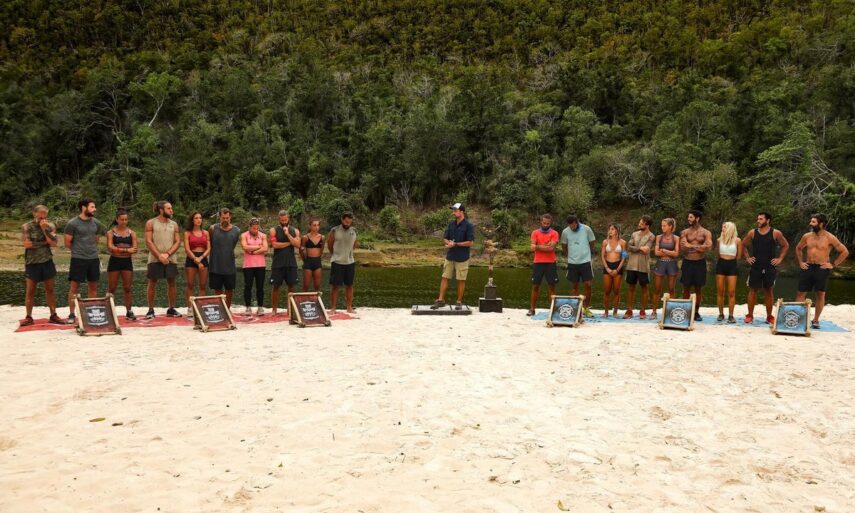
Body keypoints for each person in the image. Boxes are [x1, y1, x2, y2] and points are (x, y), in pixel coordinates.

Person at [794, 213, 849, 329]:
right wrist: (800, 262)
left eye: (813, 222)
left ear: (821, 224)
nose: (810, 223)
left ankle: (815, 320)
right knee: (800, 292)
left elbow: (844, 252)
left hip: (821, 268)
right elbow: (798, 248)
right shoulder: (807, 236)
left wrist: (833, 264)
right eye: (811, 221)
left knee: (820, 293)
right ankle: (797, 317)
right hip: (808, 266)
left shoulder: (830, 237)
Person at [64, 198, 107, 324]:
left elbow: (96, 239)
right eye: (92, 207)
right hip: (78, 259)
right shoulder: (72, 223)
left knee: (93, 286)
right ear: (83, 208)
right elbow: (67, 243)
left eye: (94, 207)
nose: (95, 209)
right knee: (74, 287)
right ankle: (72, 314)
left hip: (93, 258)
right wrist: (79, 251)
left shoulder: (96, 223)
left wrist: (89, 250)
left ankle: (91, 312)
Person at [741, 211, 789, 324]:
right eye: (758, 219)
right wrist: (747, 257)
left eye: (761, 219)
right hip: (756, 266)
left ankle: (769, 316)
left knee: (769, 290)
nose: (758, 221)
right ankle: (750, 315)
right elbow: (743, 244)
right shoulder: (752, 232)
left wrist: (780, 258)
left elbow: (785, 245)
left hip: (769, 266)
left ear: (768, 220)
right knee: (753, 290)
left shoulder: (775, 233)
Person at [20, 205, 63, 326]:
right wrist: (45, 243)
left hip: (47, 261)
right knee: (30, 291)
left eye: (45, 214)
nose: (43, 216)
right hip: (32, 262)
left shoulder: (50, 226)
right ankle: (29, 317)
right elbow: (27, 244)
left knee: (50, 289)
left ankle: (53, 315)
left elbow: (53, 243)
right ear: (34, 214)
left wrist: (45, 230)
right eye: (41, 213)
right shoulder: (26, 226)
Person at [430, 203, 474, 311]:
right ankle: (441, 300)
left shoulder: (469, 225)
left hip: (462, 258)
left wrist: (456, 244)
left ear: (462, 212)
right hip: (450, 256)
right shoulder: (451, 224)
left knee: (461, 280)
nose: (453, 212)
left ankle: (458, 302)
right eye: (453, 210)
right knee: (444, 277)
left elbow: (470, 242)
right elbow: (445, 238)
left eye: (455, 210)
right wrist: (448, 243)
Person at [144, 201, 181, 319]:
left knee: (172, 283)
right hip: (154, 258)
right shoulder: (151, 223)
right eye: (168, 208)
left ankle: (171, 309)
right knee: (152, 283)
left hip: (171, 258)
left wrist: (167, 254)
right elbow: (148, 241)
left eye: (171, 208)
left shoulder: (174, 224)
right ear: (161, 210)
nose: (171, 210)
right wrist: (159, 256)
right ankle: (150, 310)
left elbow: (177, 241)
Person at [679, 210, 713, 321]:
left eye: (691, 217)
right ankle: (686, 311)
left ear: (697, 218)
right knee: (686, 288)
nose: (688, 219)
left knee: (698, 288)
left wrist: (691, 246)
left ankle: (696, 312)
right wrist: (698, 247)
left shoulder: (706, 232)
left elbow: (708, 247)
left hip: (700, 262)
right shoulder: (685, 232)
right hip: (687, 262)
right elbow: (683, 247)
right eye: (688, 217)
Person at [560, 214, 596, 316]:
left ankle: (586, 308)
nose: (572, 227)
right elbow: (564, 245)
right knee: (574, 286)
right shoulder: (565, 232)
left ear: (577, 222)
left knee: (588, 285)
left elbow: (592, 242)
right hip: (572, 262)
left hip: (585, 261)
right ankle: (575, 309)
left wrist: (587, 252)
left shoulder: (586, 229)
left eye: (573, 224)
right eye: (570, 225)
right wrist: (569, 255)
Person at [106, 208, 139, 320]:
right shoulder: (111, 233)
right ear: (117, 219)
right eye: (122, 219)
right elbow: (110, 247)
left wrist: (121, 250)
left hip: (126, 262)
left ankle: (129, 311)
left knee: (127, 287)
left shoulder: (132, 233)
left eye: (126, 219)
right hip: (114, 261)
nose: (124, 222)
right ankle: (109, 310)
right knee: (112, 288)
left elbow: (134, 249)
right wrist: (126, 250)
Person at [623, 215, 656, 319]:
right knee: (631, 287)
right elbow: (629, 247)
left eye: (641, 223)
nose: (639, 224)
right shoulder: (634, 234)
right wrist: (640, 248)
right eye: (640, 222)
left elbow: (647, 249)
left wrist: (636, 248)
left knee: (644, 287)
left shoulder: (651, 236)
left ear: (647, 225)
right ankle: (629, 310)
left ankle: (642, 311)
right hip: (631, 265)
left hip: (643, 266)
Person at [269, 210, 301, 315]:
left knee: (291, 286)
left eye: (285, 220)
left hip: (291, 262)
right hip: (278, 262)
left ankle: (289, 308)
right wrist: (289, 243)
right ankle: (274, 309)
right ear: (279, 219)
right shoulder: (273, 230)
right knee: (276, 286)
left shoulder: (295, 231)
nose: (284, 222)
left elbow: (298, 245)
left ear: (288, 219)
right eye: (282, 220)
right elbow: (274, 245)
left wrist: (287, 234)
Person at [208, 208, 241, 308]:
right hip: (215, 264)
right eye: (223, 218)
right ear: (219, 217)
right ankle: (220, 309)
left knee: (229, 289)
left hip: (229, 265)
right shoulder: (212, 229)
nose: (225, 220)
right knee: (217, 289)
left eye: (227, 218)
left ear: (230, 217)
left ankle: (227, 309)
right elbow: (209, 244)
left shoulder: (237, 230)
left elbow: (232, 245)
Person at [527, 214, 560, 316]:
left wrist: (537, 246)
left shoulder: (554, 233)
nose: (545, 225)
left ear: (551, 223)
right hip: (538, 262)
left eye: (548, 223)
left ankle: (552, 310)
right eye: (544, 223)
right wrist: (544, 246)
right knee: (535, 286)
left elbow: (551, 248)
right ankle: (532, 309)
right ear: (541, 222)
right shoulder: (535, 233)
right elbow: (532, 247)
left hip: (550, 263)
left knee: (552, 286)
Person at [328, 212, 359, 314]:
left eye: (349, 222)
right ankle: (333, 308)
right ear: (342, 220)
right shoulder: (334, 230)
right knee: (335, 286)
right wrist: (335, 255)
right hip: (337, 262)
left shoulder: (354, 231)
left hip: (350, 262)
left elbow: (354, 244)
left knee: (349, 285)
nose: (347, 223)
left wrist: (349, 254)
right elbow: (330, 244)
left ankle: (349, 307)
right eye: (345, 221)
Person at [651, 218, 680, 320]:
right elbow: (656, 252)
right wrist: (670, 252)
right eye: (661, 225)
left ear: (670, 226)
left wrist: (664, 250)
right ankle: (654, 311)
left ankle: (672, 311)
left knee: (671, 288)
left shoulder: (676, 238)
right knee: (657, 288)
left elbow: (676, 254)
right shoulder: (658, 237)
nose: (662, 227)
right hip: (661, 263)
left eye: (664, 226)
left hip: (672, 264)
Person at [183, 211, 210, 318]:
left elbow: (209, 248)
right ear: (192, 220)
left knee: (202, 285)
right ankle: (190, 308)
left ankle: (200, 308)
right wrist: (195, 259)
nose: (199, 220)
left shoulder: (206, 233)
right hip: (191, 258)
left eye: (200, 218)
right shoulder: (187, 233)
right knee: (190, 284)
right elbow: (187, 249)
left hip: (203, 257)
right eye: (196, 218)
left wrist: (201, 258)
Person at [714, 221, 742, 323]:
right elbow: (717, 254)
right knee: (720, 291)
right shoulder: (719, 240)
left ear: (730, 228)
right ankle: (721, 314)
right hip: (721, 265)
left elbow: (739, 256)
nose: (723, 229)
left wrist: (731, 261)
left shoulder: (738, 240)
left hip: (732, 265)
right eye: (722, 227)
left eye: (724, 227)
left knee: (731, 292)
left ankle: (731, 315)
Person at [241, 218, 269, 315]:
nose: (255, 230)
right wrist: (259, 246)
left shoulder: (263, 235)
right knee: (248, 286)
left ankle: (260, 307)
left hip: (260, 265)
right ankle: (248, 307)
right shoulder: (244, 235)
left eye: (257, 228)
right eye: (253, 228)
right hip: (248, 265)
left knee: (260, 287)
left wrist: (253, 251)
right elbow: (245, 247)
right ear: (249, 227)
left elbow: (266, 248)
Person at [600, 223, 626, 318]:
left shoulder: (623, 242)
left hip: (618, 266)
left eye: (612, 229)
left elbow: (624, 257)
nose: (610, 231)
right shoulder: (605, 242)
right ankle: (606, 312)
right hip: (607, 266)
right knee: (607, 291)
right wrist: (607, 268)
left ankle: (615, 312)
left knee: (616, 290)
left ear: (617, 231)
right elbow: (602, 256)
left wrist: (617, 269)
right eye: (609, 229)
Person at [300, 218, 324, 293]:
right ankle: (303, 299)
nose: (316, 227)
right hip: (308, 262)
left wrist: (318, 258)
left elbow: (321, 250)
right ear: (310, 226)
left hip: (317, 262)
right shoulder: (305, 237)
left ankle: (316, 300)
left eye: (318, 225)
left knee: (317, 285)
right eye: (314, 225)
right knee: (306, 285)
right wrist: (305, 260)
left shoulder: (322, 237)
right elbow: (301, 250)